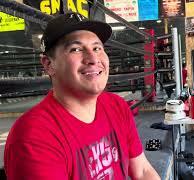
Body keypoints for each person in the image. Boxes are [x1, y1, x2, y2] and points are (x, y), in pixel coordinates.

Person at [4, 12, 160, 180]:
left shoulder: (117, 106)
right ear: (49, 65)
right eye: (76, 49)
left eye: (97, 48)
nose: (93, 58)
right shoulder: (33, 138)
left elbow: (143, 171)